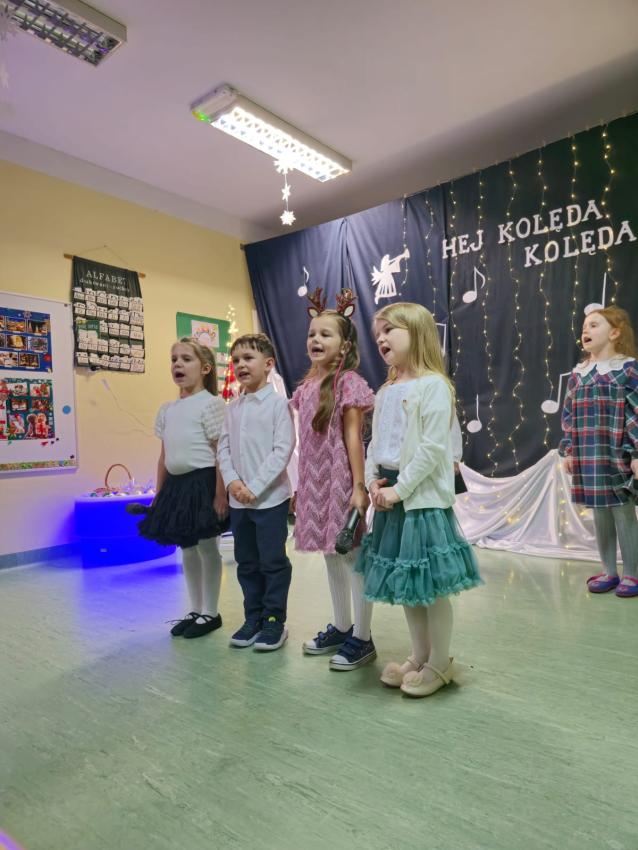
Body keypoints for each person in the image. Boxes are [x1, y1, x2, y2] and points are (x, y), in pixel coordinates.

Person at [355, 302, 483, 696]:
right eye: (378, 333)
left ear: (418, 333)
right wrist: (372, 480)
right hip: (391, 495)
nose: (381, 339)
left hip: (420, 498)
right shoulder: (386, 390)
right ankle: (419, 654)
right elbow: (376, 442)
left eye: (390, 330)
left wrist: (399, 489)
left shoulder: (434, 386)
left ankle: (440, 662)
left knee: (432, 588)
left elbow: (431, 448)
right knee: (409, 584)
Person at [292, 288, 376, 670]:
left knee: (351, 555)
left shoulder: (349, 383)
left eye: (325, 334)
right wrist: (301, 487)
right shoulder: (306, 388)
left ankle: (363, 636)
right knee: (330, 554)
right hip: (315, 483)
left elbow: (354, 438)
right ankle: (342, 627)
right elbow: (305, 445)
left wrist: (358, 487)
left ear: (344, 346)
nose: (316, 339)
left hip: (341, 480)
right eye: (312, 333)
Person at [139, 337, 229, 638]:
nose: (178, 364)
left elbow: (220, 452)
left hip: (203, 484)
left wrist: (220, 494)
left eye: (186, 359)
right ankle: (196, 608)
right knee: (187, 548)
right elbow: (164, 456)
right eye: (174, 359)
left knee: (207, 547)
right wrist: (159, 493)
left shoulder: (212, 404)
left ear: (205, 368)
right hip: (176, 487)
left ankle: (211, 612)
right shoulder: (168, 410)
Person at [217, 333, 296, 651]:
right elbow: (223, 448)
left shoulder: (278, 405)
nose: (240, 365)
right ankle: (253, 617)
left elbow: (282, 450)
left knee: (272, 561)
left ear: (268, 364)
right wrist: (232, 482)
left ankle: (274, 620)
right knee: (246, 562)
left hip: (270, 500)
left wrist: (255, 487)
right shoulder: (232, 408)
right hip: (240, 502)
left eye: (248, 358)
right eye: (236, 360)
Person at [560, 306, 638, 598]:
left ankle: (633, 573)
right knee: (600, 512)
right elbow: (568, 415)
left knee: (623, 511)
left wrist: (636, 453)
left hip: (617, 451)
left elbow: (636, 412)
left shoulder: (627, 369)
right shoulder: (578, 374)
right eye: (584, 327)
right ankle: (609, 571)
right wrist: (569, 450)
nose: (586, 330)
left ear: (614, 333)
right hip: (588, 454)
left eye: (594, 325)